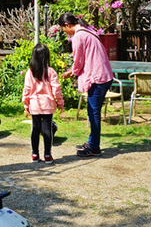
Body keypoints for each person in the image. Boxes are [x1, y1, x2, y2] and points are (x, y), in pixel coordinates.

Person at [58, 12, 114, 158]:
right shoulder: (88, 31)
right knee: (92, 111)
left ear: (67, 25)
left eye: (64, 29)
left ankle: (94, 147)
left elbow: (78, 60)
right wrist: (73, 71)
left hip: (97, 77)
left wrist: (72, 72)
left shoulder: (78, 36)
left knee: (93, 113)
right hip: (103, 75)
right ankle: (91, 142)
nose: (65, 33)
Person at [21, 44, 64, 163]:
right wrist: (60, 102)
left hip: (34, 105)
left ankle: (35, 154)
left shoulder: (30, 72)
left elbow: (26, 90)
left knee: (35, 129)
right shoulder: (51, 72)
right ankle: (47, 155)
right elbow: (56, 90)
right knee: (47, 129)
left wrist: (26, 104)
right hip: (48, 105)